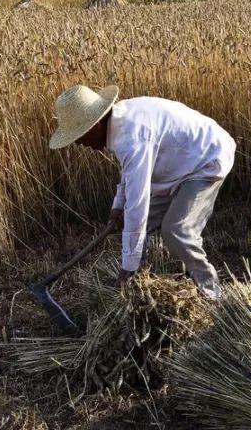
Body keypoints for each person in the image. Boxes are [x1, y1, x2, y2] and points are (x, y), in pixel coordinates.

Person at [48, 85, 236, 299]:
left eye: (80, 135)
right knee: (136, 226)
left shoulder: (131, 137)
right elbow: (130, 175)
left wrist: (128, 267)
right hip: (179, 165)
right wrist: (118, 206)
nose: (80, 143)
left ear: (95, 124)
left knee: (176, 231)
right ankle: (156, 287)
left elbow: (138, 205)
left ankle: (213, 295)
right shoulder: (120, 124)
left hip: (206, 158)